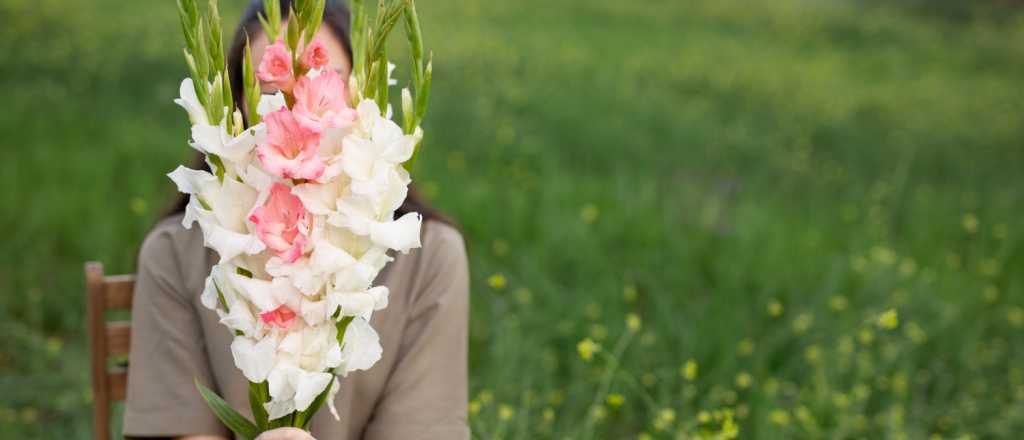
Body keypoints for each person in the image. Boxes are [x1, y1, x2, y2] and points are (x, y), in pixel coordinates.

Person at [121, 1, 469, 439]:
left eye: (323, 92)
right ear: (236, 111)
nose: (299, 119)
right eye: (272, 95)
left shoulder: (427, 257)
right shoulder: (177, 252)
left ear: (363, 107)